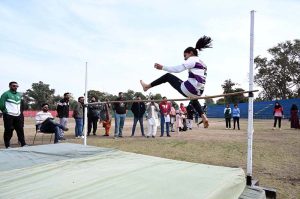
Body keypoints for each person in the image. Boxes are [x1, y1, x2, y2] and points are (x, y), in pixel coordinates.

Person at [140, 36, 211, 128]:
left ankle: (147, 86)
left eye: (185, 56)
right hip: (199, 92)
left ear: (191, 53)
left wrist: (162, 67)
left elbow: (177, 69)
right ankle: (203, 116)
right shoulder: (203, 63)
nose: (185, 58)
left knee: (168, 76)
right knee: (194, 99)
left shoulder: (192, 59)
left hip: (190, 89)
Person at [0, 81, 27, 148]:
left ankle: (23, 144)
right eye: (13, 86)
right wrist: (4, 111)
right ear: (10, 86)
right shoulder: (5, 94)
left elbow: (21, 104)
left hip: (18, 115)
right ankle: (7, 145)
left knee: (20, 130)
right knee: (8, 130)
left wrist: (20, 112)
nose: (15, 87)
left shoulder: (19, 94)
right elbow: (1, 104)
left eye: (16, 86)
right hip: (8, 115)